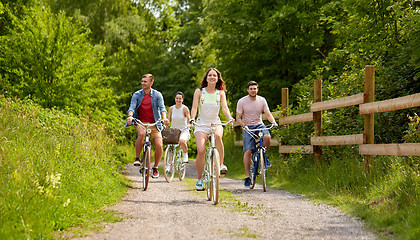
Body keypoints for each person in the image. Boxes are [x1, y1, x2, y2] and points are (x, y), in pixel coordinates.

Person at [190, 68, 234, 191]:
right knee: (201, 150)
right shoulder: (199, 92)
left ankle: (220, 165)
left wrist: (230, 117)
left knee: (218, 137)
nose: (212, 77)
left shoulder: (220, 93)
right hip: (201, 124)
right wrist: (192, 118)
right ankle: (199, 179)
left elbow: (224, 108)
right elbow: (194, 108)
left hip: (215, 123)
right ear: (206, 78)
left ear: (218, 78)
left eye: (214, 75)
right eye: (210, 75)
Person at [127, 73, 170, 178]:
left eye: (145, 82)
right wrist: (130, 116)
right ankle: (137, 158)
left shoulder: (157, 95)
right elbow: (132, 107)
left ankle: (155, 167)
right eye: (142, 81)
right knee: (141, 134)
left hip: (154, 123)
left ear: (151, 83)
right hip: (141, 122)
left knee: (159, 145)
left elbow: (162, 108)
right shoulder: (137, 94)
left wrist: (164, 118)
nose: (142, 83)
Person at [236, 81, 278, 187]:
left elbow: (267, 113)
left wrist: (273, 122)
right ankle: (247, 177)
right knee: (248, 151)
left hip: (259, 125)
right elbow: (238, 117)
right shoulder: (242, 101)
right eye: (251, 89)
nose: (253, 90)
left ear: (257, 89)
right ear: (247, 90)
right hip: (247, 127)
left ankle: (263, 157)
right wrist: (243, 125)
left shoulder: (262, 100)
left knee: (267, 137)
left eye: (255, 88)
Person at [167, 91, 191, 163]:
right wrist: (165, 123)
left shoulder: (185, 109)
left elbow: (189, 120)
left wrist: (189, 125)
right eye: (177, 98)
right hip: (173, 131)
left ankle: (185, 154)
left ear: (182, 100)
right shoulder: (171, 108)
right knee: (170, 148)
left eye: (180, 98)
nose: (178, 100)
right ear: (175, 99)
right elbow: (168, 120)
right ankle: (168, 165)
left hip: (183, 130)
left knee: (182, 140)